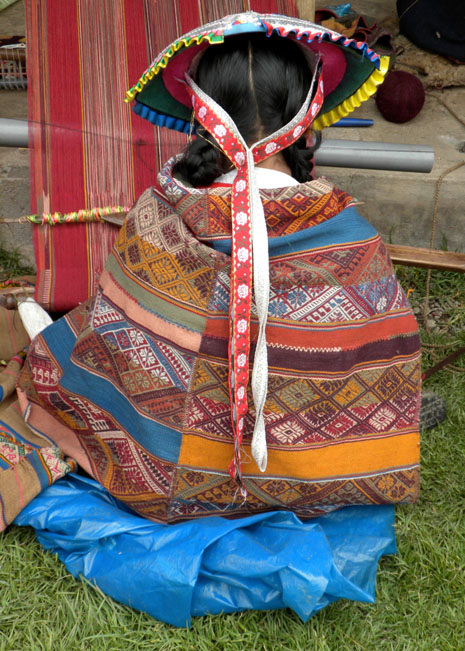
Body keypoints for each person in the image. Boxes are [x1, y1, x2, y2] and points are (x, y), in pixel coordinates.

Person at [17, 12, 421, 524]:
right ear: (307, 119)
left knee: (71, 349)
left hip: (160, 480)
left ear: (202, 117)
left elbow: (118, 341)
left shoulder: (158, 218)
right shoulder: (357, 243)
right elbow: (385, 360)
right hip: (324, 482)